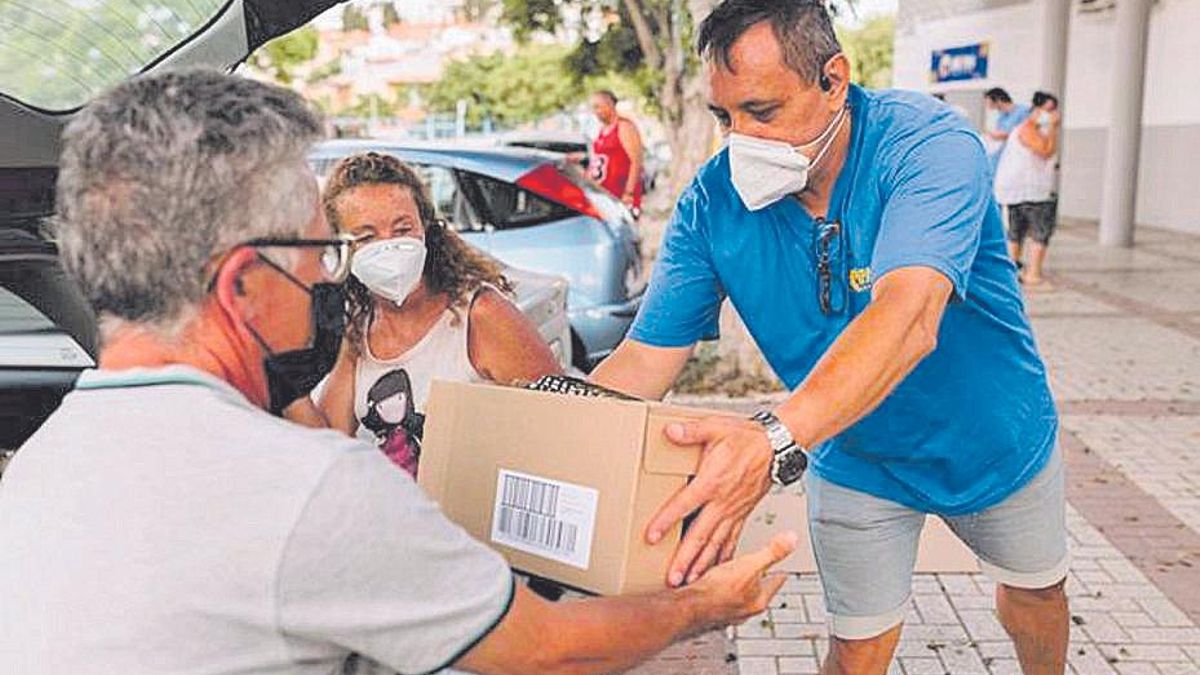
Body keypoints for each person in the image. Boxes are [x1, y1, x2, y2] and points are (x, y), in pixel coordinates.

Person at [0, 68, 798, 674]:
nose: (328, 279)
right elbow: (548, 650)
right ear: (243, 283)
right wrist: (703, 603)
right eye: (321, 252)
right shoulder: (310, 488)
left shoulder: (37, 474)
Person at [591, 2, 1067, 674]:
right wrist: (542, 431)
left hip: (993, 440)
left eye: (762, 111)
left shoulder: (926, 147)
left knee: (1035, 596)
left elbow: (908, 316)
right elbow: (643, 359)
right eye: (725, 117)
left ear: (834, 79)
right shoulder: (712, 203)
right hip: (856, 454)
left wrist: (772, 439)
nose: (741, 141)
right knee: (858, 647)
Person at [306, 151, 562, 475]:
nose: (389, 246)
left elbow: (561, 427)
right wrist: (288, 385)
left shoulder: (480, 316)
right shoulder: (360, 331)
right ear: (341, 249)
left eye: (402, 229)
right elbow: (325, 442)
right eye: (366, 236)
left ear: (426, 228)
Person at [993, 92, 1062, 290]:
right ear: (1035, 110)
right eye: (1048, 110)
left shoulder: (1029, 129)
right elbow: (1046, 151)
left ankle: (1011, 274)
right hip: (1030, 191)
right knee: (1038, 233)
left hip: (1020, 190)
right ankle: (1032, 274)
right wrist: (1054, 129)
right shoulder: (1027, 128)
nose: (1052, 115)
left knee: (1017, 232)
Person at [584, 89, 645, 216]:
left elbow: (636, 161)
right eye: (593, 108)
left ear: (609, 105)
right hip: (605, 194)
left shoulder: (624, 126)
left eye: (598, 107)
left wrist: (629, 192)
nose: (595, 112)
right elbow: (602, 158)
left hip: (621, 193)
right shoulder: (602, 129)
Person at [983, 87, 1031, 175]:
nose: (987, 105)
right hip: (1001, 155)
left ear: (998, 100)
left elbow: (1026, 134)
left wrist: (1005, 135)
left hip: (1017, 155)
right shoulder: (1001, 117)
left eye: (989, 101)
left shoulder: (1023, 111)